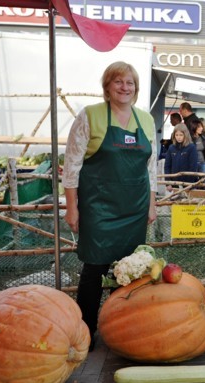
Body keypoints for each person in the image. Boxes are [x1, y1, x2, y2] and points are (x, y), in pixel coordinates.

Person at [63, 61, 157, 350]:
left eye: (129, 83)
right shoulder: (90, 115)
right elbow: (72, 164)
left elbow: (150, 169)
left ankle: (125, 330)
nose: (124, 87)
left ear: (136, 89)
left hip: (135, 208)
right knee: (94, 269)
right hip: (98, 208)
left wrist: (152, 205)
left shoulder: (147, 119)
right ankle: (86, 332)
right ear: (107, 87)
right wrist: (71, 206)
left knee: (130, 270)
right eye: (118, 82)